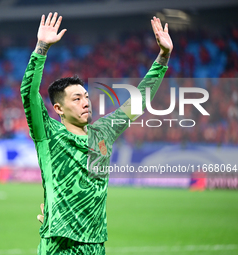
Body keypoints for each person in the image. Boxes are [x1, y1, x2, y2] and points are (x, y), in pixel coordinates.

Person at [20, 12, 173, 254]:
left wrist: (162, 58)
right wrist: (41, 48)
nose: (85, 102)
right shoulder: (48, 135)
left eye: (87, 97)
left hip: (95, 243)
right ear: (58, 108)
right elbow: (28, 94)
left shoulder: (103, 133)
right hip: (59, 243)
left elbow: (137, 102)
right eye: (77, 98)